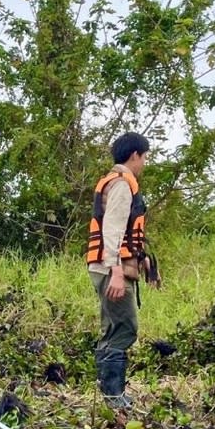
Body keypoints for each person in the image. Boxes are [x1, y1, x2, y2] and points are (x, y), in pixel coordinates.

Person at [85, 132, 160, 409]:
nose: (144, 163)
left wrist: (143, 262)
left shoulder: (118, 183)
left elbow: (127, 233)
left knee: (113, 328)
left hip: (108, 266)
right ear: (134, 155)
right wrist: (116, 270)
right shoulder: (121, 185)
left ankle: (109, 395)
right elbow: (113, 229)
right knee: (125, 328)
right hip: (109, 269)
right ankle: (113, 396)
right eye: (145, 157)